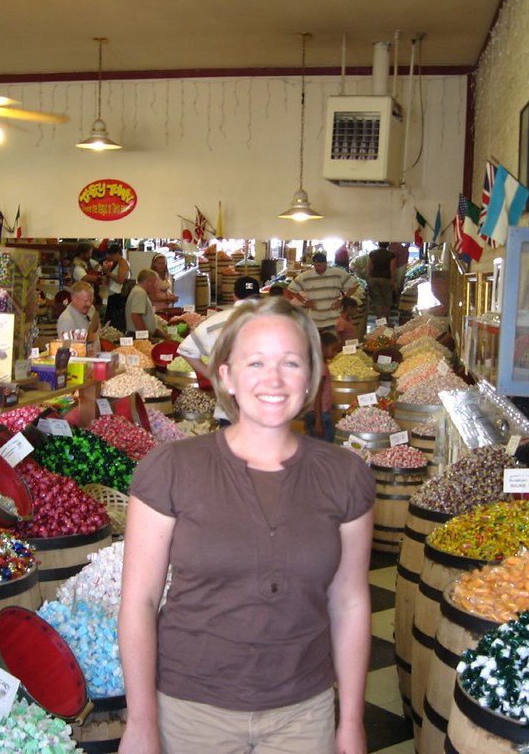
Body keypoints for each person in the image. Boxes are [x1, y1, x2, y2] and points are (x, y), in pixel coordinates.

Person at [119, 296, 375, 754]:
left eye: (291, 363)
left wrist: (352, 721)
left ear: (311, 376)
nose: (273, 380)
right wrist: (140, 722)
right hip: (191, 712)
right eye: (255, 362)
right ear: (226, 376)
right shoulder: (171, 468)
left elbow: (350, 601)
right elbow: (139, 602)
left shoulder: (346, 475)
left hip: (304, 713)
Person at [177, 275, 260, 423]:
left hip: (229, 408)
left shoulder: (216, 321)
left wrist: (213, 376)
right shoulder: (274, 321)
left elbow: (185, 350)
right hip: (266, 408)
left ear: (234, 296)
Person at [285, 251, 359, 333]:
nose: (317, 268)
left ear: (325, 263)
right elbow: (291, 289)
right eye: (315, 265)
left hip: (333, 319)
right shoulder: (305, 276)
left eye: (319, 265)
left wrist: (342, 300)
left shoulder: (337, 274)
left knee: (333, 340)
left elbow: (355, 285)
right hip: (315, 320)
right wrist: (304, 301)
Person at [304, 331, 339, 442]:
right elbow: (317, 395)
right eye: (333, 349)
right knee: (326, 444)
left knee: (313, 443)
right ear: (322, 347)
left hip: (311, 412)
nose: (335, 354)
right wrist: (319, 422)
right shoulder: (322, 368)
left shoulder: (315, 365)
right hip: (320, 414)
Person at [56, 281, 101, 350]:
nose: (89, 304)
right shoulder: (66, 321)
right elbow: (70, 350)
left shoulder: (91, 309)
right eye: (85, 301)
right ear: (74, 299)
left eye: (91, 300)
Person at [125, 269, 166, 338]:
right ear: (148, 282)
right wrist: (147, 336)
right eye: (154, 283)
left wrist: (161, 333)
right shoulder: (140, 293)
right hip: (138, 336)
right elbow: (135, 316)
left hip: (139, 335)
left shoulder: (139, 291)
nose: (154, 286)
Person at [103, 243, 132, 332]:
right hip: (114, 294)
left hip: (118, 295)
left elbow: (121, 279)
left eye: (112, 255)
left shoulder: (123, 262)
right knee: (112, 321)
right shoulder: (117, 263)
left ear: (117, 254)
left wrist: (108, 273)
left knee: (116, 321)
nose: (111, 257)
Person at [366, 241, 396, 322]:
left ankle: (379, 321)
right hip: (386, 279)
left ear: (379, 244)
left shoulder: (372, 253)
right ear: (388, 244)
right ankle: (385, 321)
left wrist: (368, 278)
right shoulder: (391, 255)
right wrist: (393, 281)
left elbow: (368, 267)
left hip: (374, 278)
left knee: (378, 301)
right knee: (387, 301)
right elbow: (392, 269)